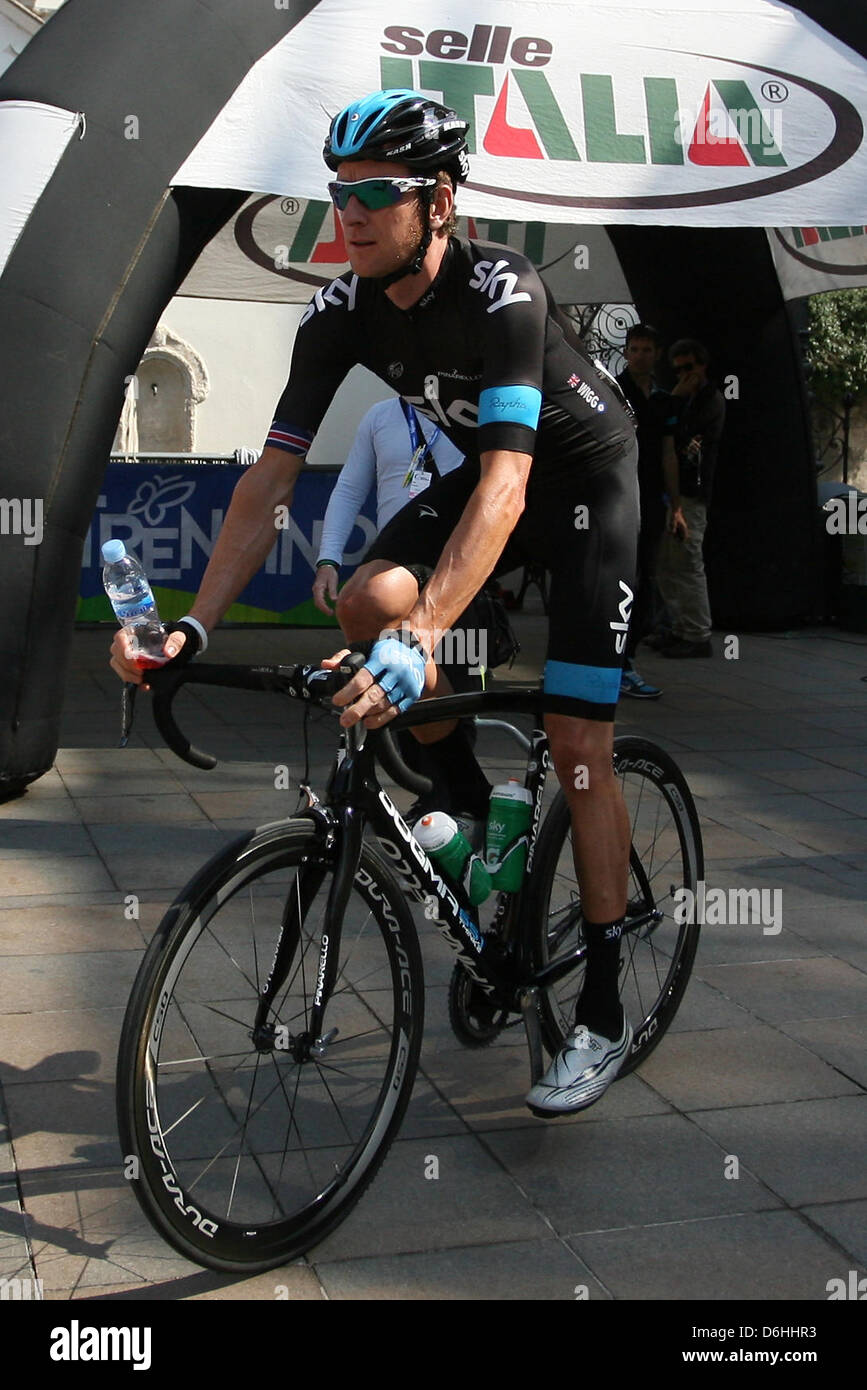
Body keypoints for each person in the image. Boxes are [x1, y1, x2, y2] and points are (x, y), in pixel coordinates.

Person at [111, 88, 640, 1117]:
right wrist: (192, 624)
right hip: (491, 478)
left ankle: (606, 1007)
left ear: (438, 201)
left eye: (376, 195)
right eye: (338, 193)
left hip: (580, 490)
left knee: (579, 743)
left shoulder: (505, 291)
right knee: (366, 603)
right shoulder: (340, 309)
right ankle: (472, 805)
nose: (347, 215)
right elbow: (267, 484)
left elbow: (508, 488)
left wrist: (430, 635)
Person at [313, 394, 491, 823]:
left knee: (456, 688)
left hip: (457, 569)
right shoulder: (380, 415)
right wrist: (328, 560)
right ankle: (432, 794)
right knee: (396, 683)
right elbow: (351, 487)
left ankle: (459, 799)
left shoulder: (470, 410)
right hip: (396, 569)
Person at [655, 339, 726, 658]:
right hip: (675, 489)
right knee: (669, 563)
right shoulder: (685, 400)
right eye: (678, 370)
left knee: (687, 560)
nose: (684, 375)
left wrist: (676, 399)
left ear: (702, 366)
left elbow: (682, 437)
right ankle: (681, 627)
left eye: (689, 368)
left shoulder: (709, 399)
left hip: (692, 491)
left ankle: (697, 632)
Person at [616, 323, 670, 699]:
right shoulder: (615, 391)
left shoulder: (662, 399)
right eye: (635, 349)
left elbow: (668, 451)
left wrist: (676, 503)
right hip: (619, 496)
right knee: (622, 580)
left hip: (651, 499)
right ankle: (615, 664)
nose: (640, 355)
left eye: (647, 349)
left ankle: (627, 658)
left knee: (645, 579)